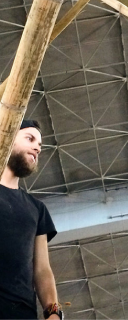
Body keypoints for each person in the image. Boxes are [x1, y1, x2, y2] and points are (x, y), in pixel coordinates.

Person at [0, 120, 62, 320]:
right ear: (7, 139)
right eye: (30, 139)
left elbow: (42, 269)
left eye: (40, 145)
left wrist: (53, 313)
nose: (37, 148)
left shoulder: (37, 209)